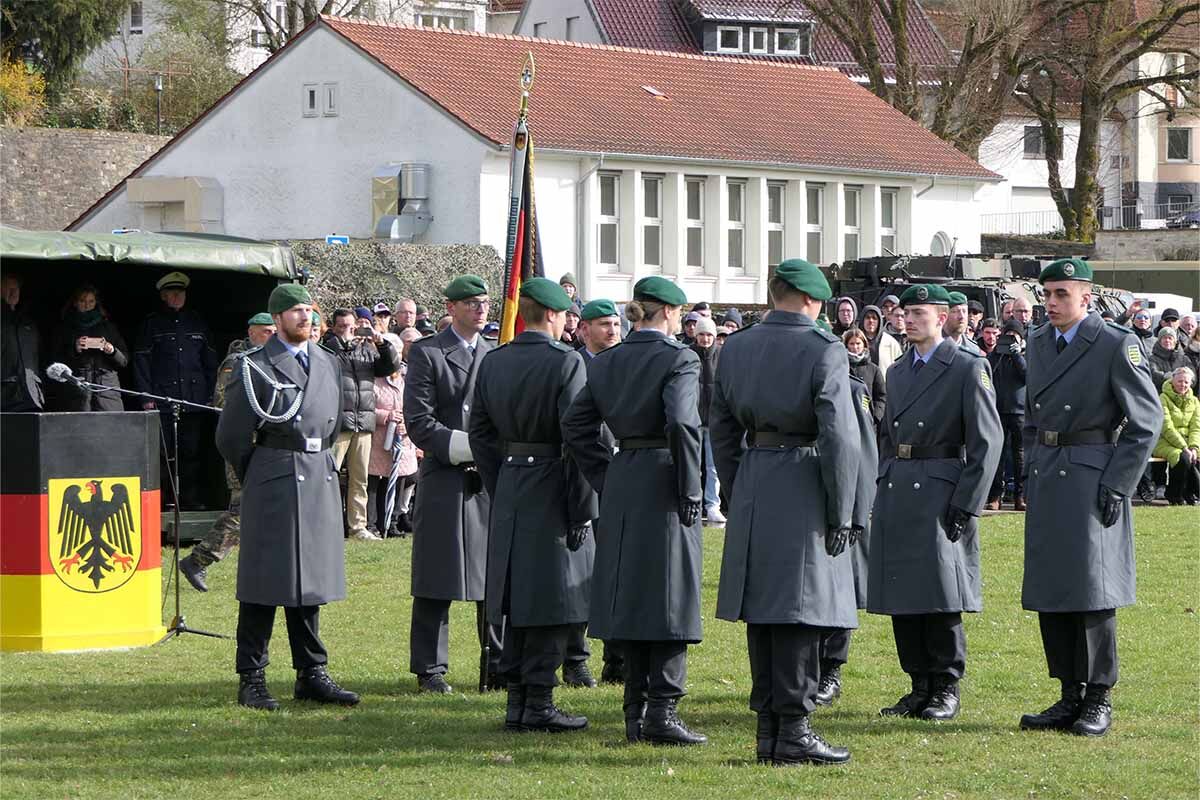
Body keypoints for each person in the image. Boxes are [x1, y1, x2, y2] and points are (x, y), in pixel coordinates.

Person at [710, 258, 859, 766]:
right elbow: (839, 436)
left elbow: (722, 428)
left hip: (755, 474)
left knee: (764, 610)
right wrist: (842, 510)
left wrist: (736, 486)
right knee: (800, 609)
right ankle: (792, 729)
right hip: (803, 478)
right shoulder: (824, 348)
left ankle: (769, 729)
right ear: (813, 300)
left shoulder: (737, 346)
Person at [1019, 257, 1161, 738]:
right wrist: (1031, 464)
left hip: (1092, 475)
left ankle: (1098, 695)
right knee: (1053, 585)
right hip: (1048, 473)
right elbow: (1032, 419)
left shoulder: (1115, 344)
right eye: (1047, 294)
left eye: (1062, 293)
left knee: (1093, 590)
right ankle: (1068, 694)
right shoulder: (1038, 343)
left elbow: (1146, 422)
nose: (1052, 302)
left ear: (1087, 296)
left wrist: (1118, 481)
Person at [563, 275, 707, 746]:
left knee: (631, 593)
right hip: (665, 478)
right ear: (667, 312)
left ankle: (634, 712)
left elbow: (577, 423)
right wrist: (691, 487)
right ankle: (661, 710)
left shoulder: (608, 360)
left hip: (624, 476)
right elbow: (683, 422)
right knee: (669, 595)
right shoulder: (679, 357)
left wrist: (606, 474)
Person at [216, 283, 359, 711]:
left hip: (317, 473)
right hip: (274, 474)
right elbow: (231, 436)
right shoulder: (255, 365)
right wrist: (261, 469)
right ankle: (252, 676)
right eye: (294, 312)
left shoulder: (328, 361)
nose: (305, 318)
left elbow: (332, 425)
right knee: (264, 581)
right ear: (276, 319)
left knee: (310, 582)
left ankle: (312, 672)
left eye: (308, 311)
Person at [868, 283, 1002, 722]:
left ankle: (945, 685)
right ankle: (918, 684)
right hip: (899, 483)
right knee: (902, 590)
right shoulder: (899, 369)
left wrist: (968, 503)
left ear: (942, 317)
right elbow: (887, 435)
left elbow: (987, 440)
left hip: (942, 484)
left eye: (919, 313)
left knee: (941, 595)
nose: (909, 320)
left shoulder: (967, 366)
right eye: (905, 313)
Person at [469, 277, 595, 733]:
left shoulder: (494, 361)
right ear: (555, 315)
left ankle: (518, 699)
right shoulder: (567, 363)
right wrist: (583, 506)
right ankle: (537, 700)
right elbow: (580, 437)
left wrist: (500, 480)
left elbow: (480, 433)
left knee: (517, 595)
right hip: (553, 485)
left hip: (512, 483)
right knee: (550, 596)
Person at [403, 274, 500, 694]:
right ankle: (430, 668)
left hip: (488, 480)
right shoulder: (429, 353)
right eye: (472, 303)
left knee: (494, 578)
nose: (481, 309)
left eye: (485, 302)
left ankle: (497, 660)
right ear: (451, 307)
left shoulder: (495, 354)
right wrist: (469, 448)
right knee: (435, 577)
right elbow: (420, 422)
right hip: (446, 474)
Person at [179, 313, 277, 592]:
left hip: (267, 443)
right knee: (242, 508)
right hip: (242, 444)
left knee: (263, 509)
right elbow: (223, 402)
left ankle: (264, 567)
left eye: (274, 331)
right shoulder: (238, 362)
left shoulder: (269, 360)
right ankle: (198, 560)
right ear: (252, 332)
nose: (272, 335)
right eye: (266, 331)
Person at [134, 271, 218, 509]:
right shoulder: (152, 324)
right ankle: (163, 502)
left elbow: (210, 362)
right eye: (172, 293)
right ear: (163, 296)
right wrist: (146, 397)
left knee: (191, 454)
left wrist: (211, 394)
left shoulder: (197, 322)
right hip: (162, 399)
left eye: (181, 293)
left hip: (193, 399)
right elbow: (141, 361)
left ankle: (189, 501)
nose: (177, 297)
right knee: (163, 454)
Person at [573, 298, 624, 686]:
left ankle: (617, 658)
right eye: (604, 324)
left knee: (620, 571)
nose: (612, 331)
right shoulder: (574, 365)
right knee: (579, 573)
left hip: (620, 479)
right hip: (578, 476)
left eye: (616, 324)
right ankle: (575, 656)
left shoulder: (626, 365)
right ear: (583, 329)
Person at [321, 308, 400, 542]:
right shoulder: (328, 351)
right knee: (328, 476)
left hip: (363, 421)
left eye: (351, 326)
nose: (348, 330)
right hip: (338, 422)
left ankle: (358, 527)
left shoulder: (366, 349)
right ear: (333, 328)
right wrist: (339, 344)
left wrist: (382, 344)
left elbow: (390, 367)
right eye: (342, 326)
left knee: (359, 478)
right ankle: (326, 524)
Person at [366, 333, 417, 538]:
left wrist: (406, 421)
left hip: (402, 438)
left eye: (397, 350)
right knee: (374, 482)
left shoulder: (408, 377)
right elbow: (365, 408)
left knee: (400, 479)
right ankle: (373, 523)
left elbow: (414, 405)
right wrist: (386, 416)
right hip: (377, 438)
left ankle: (393, 522)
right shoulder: (373, 378)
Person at [51, 284, 128, 412]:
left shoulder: (108, 327)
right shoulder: (64, 327)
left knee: (111, 430)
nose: (87, 305)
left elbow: (124, 360)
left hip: (107, 394)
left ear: (96, 303)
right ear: (75, 303)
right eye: (82, 301)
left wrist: (112, 351)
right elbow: (54, 361)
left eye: (91, 301)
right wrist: (74, 348)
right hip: (77, 394)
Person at [985, 320, 1028, 511]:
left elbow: (1027, 376)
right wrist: (997, 351)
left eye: (1014, 336)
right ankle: (995, 496)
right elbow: (987, 372)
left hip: (1019, 411)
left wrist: (1016, 353)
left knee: (1019, 455)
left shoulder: (1025, 355)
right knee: (998, 454)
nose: (1010, 340)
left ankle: (1020, 495)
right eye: (1007, 336)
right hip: (999, 410)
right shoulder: (996, 355)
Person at [692, 316, 724, 524]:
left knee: (713, 467)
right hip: (693, 419)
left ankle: (712, 504)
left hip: (714, 421)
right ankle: (693, 501)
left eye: (709, 335)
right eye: (701, 334)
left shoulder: (722, 356)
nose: (705, 339)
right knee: (693, 464)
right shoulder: (687, 354)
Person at [1153, 367, 1200, 505]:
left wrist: (1194, 447)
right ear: (1172, 381)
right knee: (1182, 458)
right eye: (1179, 381)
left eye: (1186, 382)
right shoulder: (1163, 398)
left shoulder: (1195, 401)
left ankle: (1190, 492)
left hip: (1186, 442)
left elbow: (1196, 428)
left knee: (1194, 455)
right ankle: (1174, 495)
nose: (1183, 385)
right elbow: (1166, 427)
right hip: (1164, 440)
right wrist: (1184, 447)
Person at [1, 273, 43, 412]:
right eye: (8, 288)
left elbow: (37, 356)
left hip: (30, 395)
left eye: (16, 288)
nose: (13, 292)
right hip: (4, 395)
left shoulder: (28, 322)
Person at [843, 328, 885, 425]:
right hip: (846, 421)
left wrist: (875, 416)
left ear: (864, 345)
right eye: (851, 344)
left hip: (868, 422)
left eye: (858, 343)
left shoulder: (874, 369)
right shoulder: (840, 367)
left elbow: (881, 396)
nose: (855, 347)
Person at [860, 304, 901, 375]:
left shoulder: (891, 342)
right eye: (867, 317)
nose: (871, 321)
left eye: (874, 318)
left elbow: (900, 368)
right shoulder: (855, 340)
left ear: (879, 321)